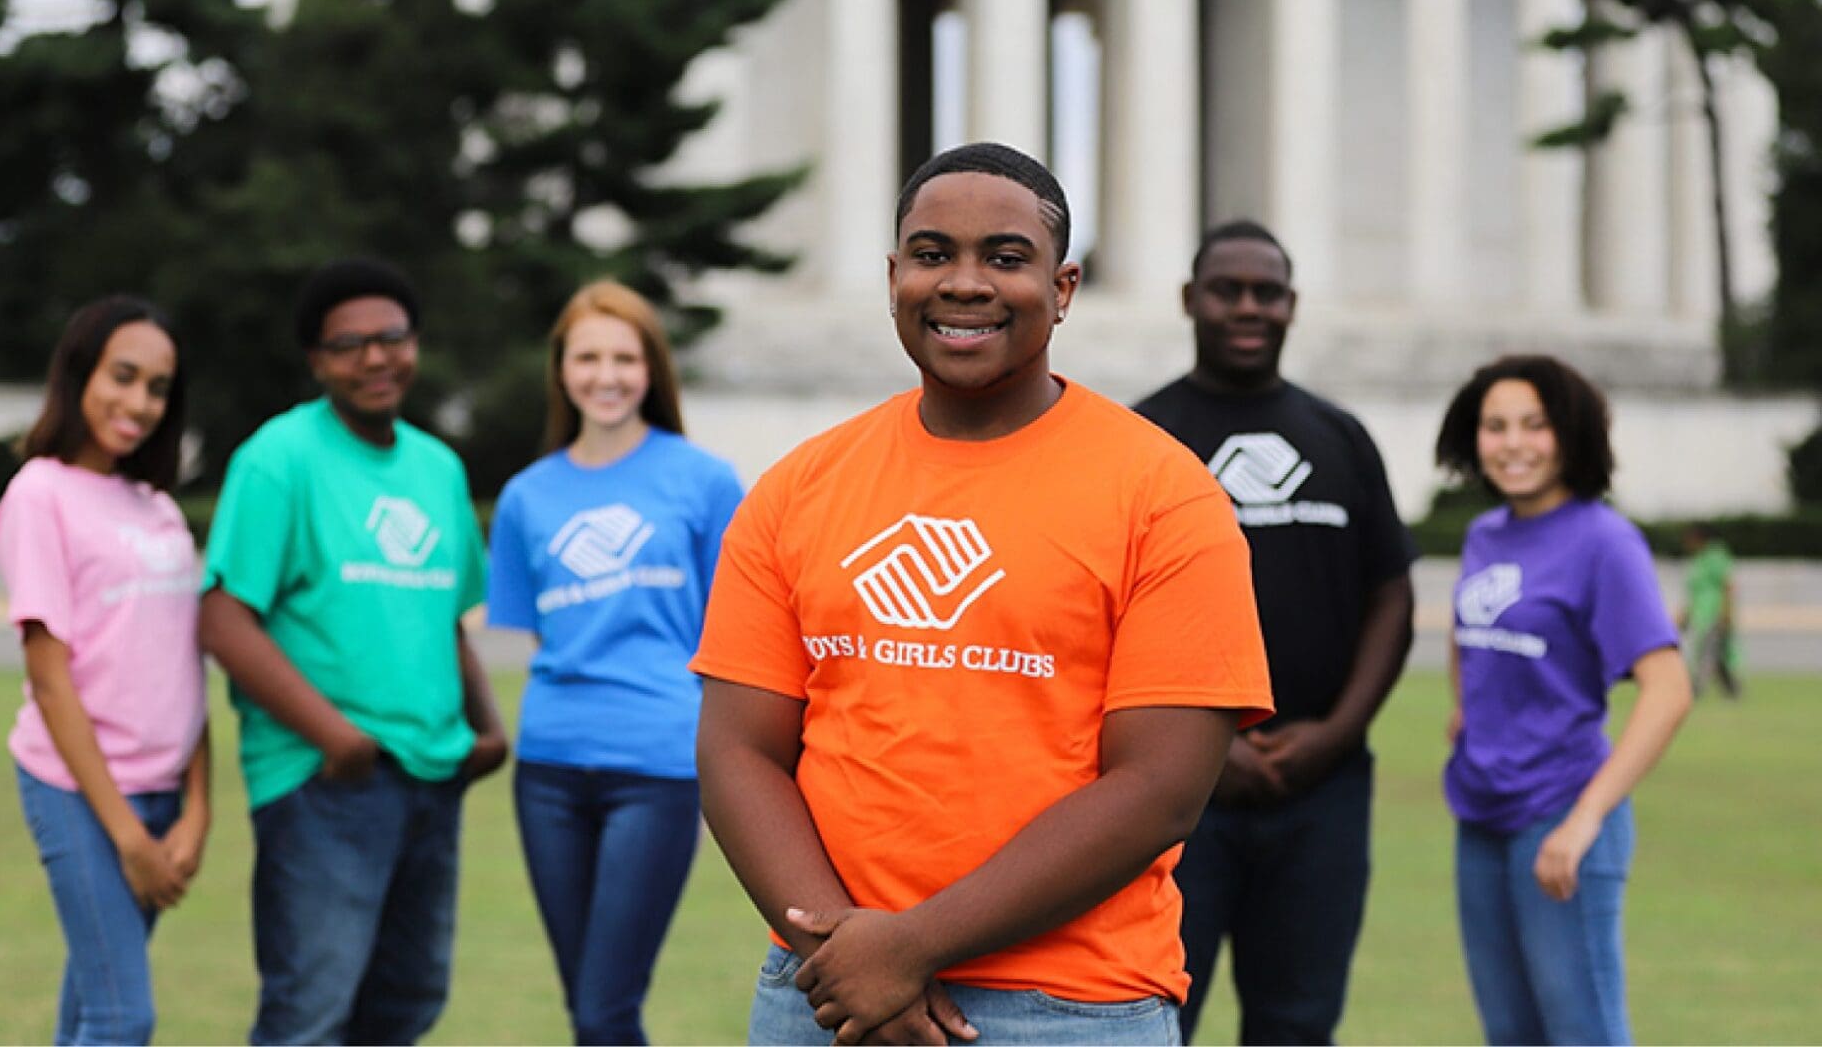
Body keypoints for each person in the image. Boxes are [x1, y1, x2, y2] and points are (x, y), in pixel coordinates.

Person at [691, 142, 1274, 1046]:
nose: (964, 283)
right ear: (893, 277)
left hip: (1070, 1008)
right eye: (932, 255)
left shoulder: (1165, 494)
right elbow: (739, 752)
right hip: (823, 995)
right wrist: (851, 965)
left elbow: (1158, 787)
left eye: (1006, 257)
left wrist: (908, 949)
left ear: (1065, 287)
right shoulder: (798, 488)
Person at [199, 257, 508, 1046]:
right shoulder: (280, 458)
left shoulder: (436, 467)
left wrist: (488, 725)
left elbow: (443, 616)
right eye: (349, 344)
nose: (376, 357)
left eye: (392, 337)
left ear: (415, 343)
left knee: (408, 1001)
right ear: (317, 361)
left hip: (432, 776)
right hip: (326, 783)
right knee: (311, 1011)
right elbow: (223, 618)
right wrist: (337, 739)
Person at [1132, 219, 1416, 1045]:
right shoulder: (1140, 442)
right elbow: (1102, 619)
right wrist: (1206, 750)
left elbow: (1391, 597)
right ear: (1191, 300)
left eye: (1269, 292)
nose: (1249, 307)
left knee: (1298, 1022)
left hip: (1320, 790)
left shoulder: (1341, 437)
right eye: (1229, 290)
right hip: (1173, 797)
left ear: (1293, 305)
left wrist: (1336, 733)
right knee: (1153, 1016)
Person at [486, 281, 744, 1045]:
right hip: (549, 769)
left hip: (658, 766)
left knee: (605, 1007)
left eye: (625, 358)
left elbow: (733, 633)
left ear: (651, 370)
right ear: (561, 369)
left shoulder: (706, 481)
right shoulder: (526, 498)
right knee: (589, 1009)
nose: (607, 375)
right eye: (588, 356)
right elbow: (540, 636)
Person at [1434, 354, 1693, 1046]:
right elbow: (1469, 635)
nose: (1512, 443)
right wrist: (1469, 709)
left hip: (1560, 817)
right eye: (1494, 426)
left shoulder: (1605, 542)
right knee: (1510, 1035)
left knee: (1585, 1034)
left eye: (1534, 424)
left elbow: (1669, 689)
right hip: (1481, 816)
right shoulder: (1485, 536)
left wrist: (1583, 821)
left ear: (1570, 434)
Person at [0, 295, 209, 1045]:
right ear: (80, 372)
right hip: (79, 791)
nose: (139, 402)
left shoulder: (159, 510)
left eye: (157, 388)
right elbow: (50, 680)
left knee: (91, 1008)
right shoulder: (39, 494)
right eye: (123, 376)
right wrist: (128, 837)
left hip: (162, 793)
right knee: (123, 1018)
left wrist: (198, 808)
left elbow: (186, 664)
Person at [1679, 522, 1740, 698]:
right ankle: (1733, 691)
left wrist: (1726, 613)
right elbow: (1696, 591)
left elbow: (1728, 585)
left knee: (1707, 653)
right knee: (1717, 654)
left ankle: (1695, 689)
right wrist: (1686, 613)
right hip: (1701, 615)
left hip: (1714, 613)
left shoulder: (1716, 556)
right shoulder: (1699, 559)